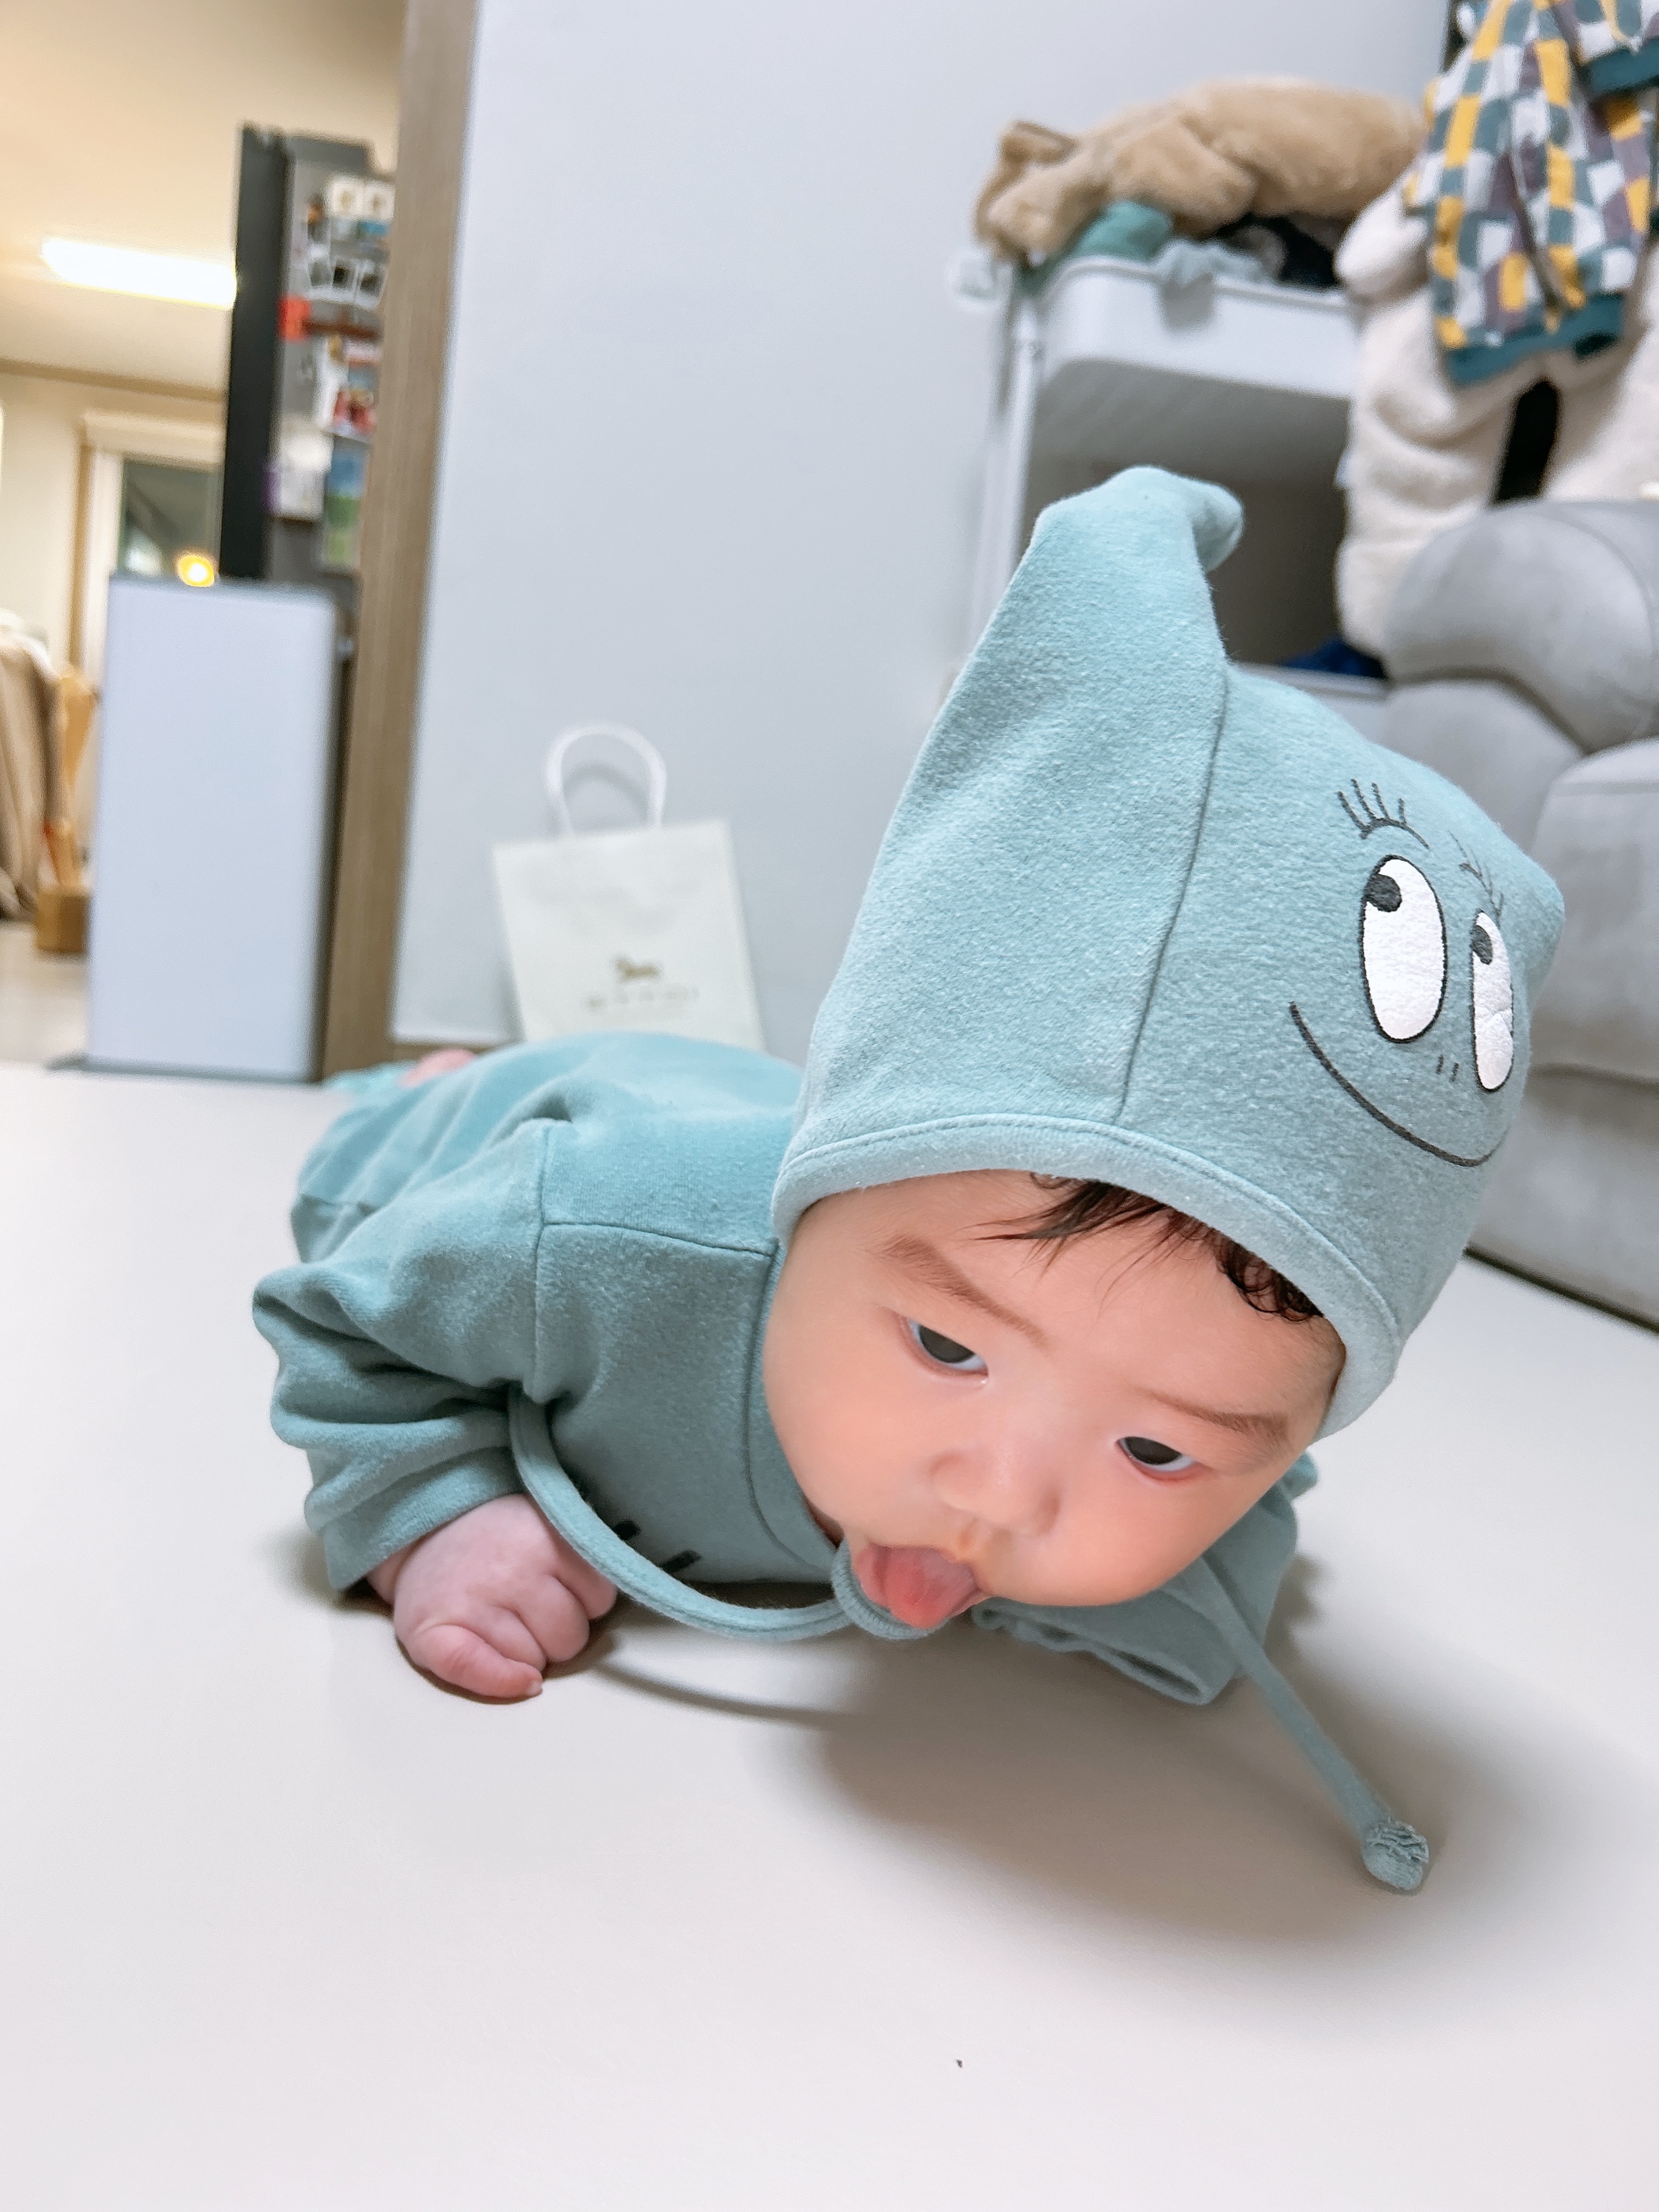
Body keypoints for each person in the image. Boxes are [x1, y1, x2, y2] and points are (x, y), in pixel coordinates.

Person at [253, 469, 1561, 1889]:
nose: (1002, 1495)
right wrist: (434, 1508)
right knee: (410, 1123)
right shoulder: (597, 1232)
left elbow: (1260, 1499)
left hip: (761, 1101)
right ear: (827, 1209)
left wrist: (1139, 1592)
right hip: (541, 1121)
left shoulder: (1214, 1425)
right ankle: (444, 1073)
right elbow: (344, 1319)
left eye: (1155, 1452)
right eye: (947, 1346)